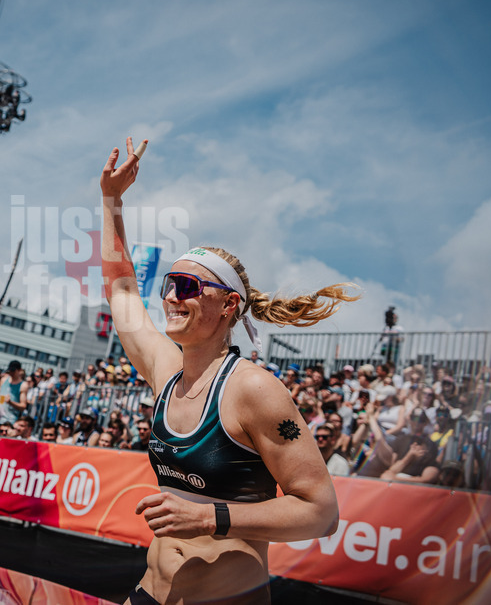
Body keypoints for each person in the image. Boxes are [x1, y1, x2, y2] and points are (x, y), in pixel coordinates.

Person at [101, 137, 358, 605]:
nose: (171, 297)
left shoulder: (253, 389)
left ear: (228, 305)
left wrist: (209, 517)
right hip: (150, 594)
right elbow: (121, 291)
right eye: (168, 284)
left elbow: (320, 513)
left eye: (188, 286)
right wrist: (112, 202)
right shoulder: (167, 369)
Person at [0, 361, 27, 436]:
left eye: (13, 371)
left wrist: (11, 402)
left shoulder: (23, 385)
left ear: (19, 370)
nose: (11, 373)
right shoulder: (4, 380)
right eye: (10, 371)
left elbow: (23, 406)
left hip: (8, 421)